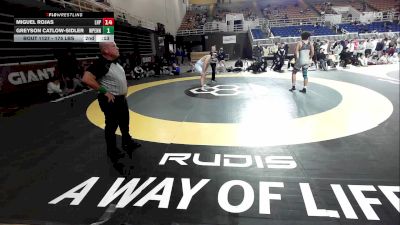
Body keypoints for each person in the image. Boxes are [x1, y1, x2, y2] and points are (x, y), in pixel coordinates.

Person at [82, 42, 141, 162]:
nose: (118, 47)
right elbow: (86, 78)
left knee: (124, 122)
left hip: (120, 98)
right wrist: (105, 91)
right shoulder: (101, 63)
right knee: (112, 125)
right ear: (106, 51)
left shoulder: (115, 62)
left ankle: (127, 142)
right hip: (110, 100)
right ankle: (112, 150)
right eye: (114, 46)